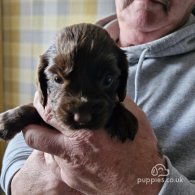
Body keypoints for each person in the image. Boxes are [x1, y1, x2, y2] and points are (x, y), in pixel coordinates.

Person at [1, 0, 195, 194]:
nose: (80, 116)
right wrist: (17, 179)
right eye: (60, 79)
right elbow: (36, 121)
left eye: (107, 80)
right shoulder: (69, 45)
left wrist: (145, 185)